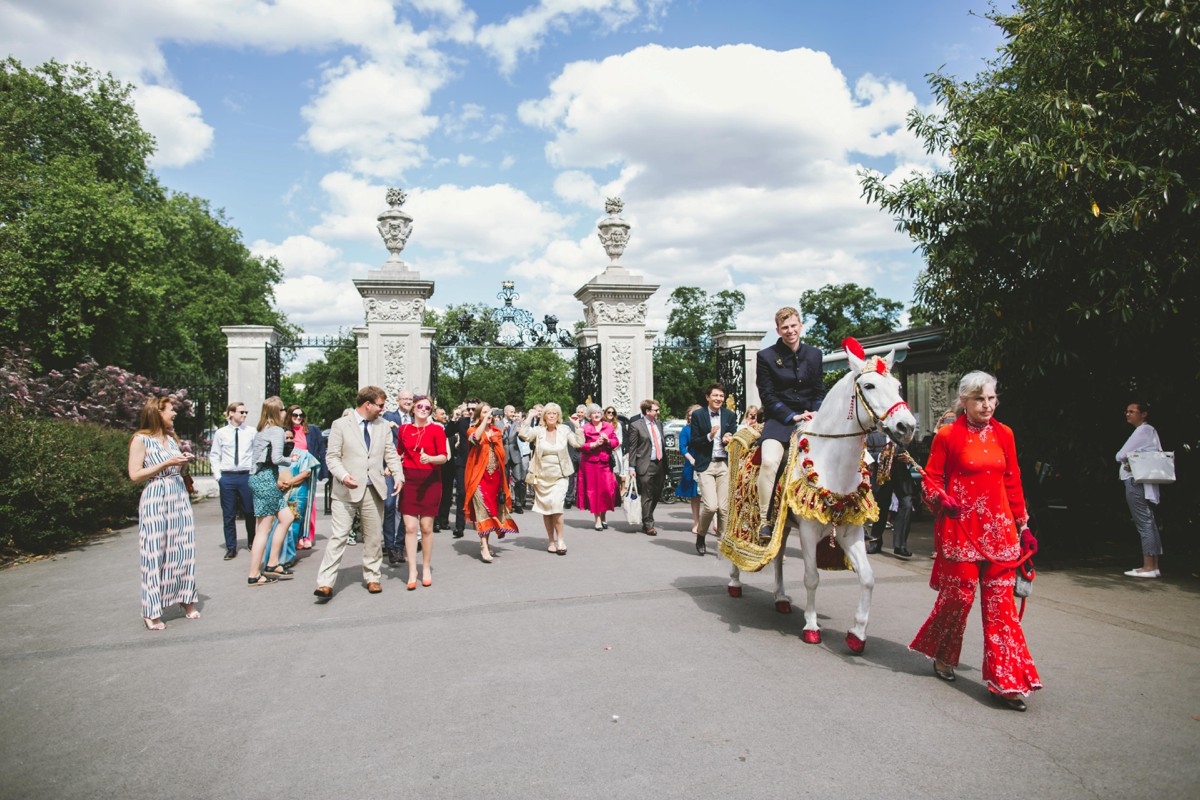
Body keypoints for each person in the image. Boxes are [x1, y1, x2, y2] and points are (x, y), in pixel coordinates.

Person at [910, 371, 1041, 711]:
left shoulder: (1004, 434)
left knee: (1001, 609)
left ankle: (1007, 681)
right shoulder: (947, 435)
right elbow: (931, 480)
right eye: (980, 399)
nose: (987, 405)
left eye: (992, 398)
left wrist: (1024, 527)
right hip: (961, 531)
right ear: (964, 401)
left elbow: (1013, 480)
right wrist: (940, 499)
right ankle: (943, 654)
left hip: (1001, 534)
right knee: (959, 598)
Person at [313, 386, 405, 601]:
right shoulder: (340, 425)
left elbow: (391, 454)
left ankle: (373, 576)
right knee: (339, 536)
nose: (383, 410)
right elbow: (332, 456)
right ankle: (325, 583)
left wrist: (399, 476)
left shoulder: (383, 426)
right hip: (346, 489)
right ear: (368, 404)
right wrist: (343, 475)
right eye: (380, 405)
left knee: (373, 537)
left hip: (374, 488)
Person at [128, 396, 199, 630]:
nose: (175, 414)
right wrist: (166, 463)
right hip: (156, 496)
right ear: (157, 413)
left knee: (183, 549)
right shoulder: (141, 439)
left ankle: (186, 598)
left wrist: (183, 463)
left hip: (178, 494)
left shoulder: (170, 438)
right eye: (170, 410)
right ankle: (151, 610)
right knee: (154, 553)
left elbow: (175, 466)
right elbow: (135, 474)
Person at [755, 306, 826, 532]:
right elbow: (766, 394)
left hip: (812, 421)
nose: (790, 331)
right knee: (769, 462)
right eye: (785, 327)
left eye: (793, 326)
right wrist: (791, 415)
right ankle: (765, 518)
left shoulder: (815, 354)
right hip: (780, 421)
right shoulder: (765, 356)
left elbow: (819, 390)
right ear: (778, 330)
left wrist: (815, 412)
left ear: (800, 326)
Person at [398, 395, 449, 589]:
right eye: (420, 406)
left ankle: (426, 567)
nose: (423, 410)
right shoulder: (404, 429)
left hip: (430, 481)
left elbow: (444, 457)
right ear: (412, 409)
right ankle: (412, 570)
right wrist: (392, 469)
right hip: (410, 480)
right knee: (410, 528)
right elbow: (398, 452)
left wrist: (431, 459)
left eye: (427, 408)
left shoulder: (436, 429)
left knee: (426, 527)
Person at [247, 396, 296, 586]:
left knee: (287, 518)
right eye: (283, 409)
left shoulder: (262, 430)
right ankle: (254, 574)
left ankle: (273, 562)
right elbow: (276, 458)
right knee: (263, 529)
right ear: (278, 412)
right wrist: (290, 459)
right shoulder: (276, 430)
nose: (285, 413)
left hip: (260, 478)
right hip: (266, 478)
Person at [520, 403, 581, 554]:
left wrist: (578, 427)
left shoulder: (564, 430)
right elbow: (524, 435)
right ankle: (550, 540)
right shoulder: (538, 431)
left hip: (560, 476)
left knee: (557, 507)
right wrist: (529, 417)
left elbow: (578, 443)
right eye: (549, 413)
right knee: (547, 510)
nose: (552, 416)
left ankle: (561, 540)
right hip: (541, 476)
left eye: (555, 413)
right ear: (544, 416)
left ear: (558, 416)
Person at [464, 403, 519, 562]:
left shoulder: (496, 432)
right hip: (478, 478)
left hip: (495, 477)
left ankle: (486, 543)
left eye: (490, 412)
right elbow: (475, 439)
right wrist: (484, 422)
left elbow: (502, 455)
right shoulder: (472, 430)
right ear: (479, 415)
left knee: (491, 510)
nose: (489, 415)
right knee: (483, 511)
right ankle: (483, 546)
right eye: (485, 412)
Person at [260, 428, 321, 571]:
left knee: (293, 527)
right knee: (276, 526)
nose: (288, 441)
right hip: (279, 493)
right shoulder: (275, 455)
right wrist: (279, 483)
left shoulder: (303, 454)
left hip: (297, 493)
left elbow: (306, 472)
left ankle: (287, 557)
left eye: (290, 438)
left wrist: (290, 482)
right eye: (285, 438)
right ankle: (273, 557)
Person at [1116, 401, 1164, 578]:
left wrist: (1125, 457)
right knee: (1149, 521)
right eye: (1126, 411)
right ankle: (1154, 565)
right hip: (1143, 481)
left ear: (1143, 414)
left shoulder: (1143, 431)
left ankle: (1148, 566)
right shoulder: (1149, 431)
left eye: (1132, 411)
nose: (1128, 414)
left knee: (1143, 522)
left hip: (1135, 479)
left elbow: (1120, 455)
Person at [690, 383, 738, 555]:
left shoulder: (730, 415)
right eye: (715, 396)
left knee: (724, 508)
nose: (718, 399)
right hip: (706, 464)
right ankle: (701, 535)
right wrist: (709, 436)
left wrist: (729, 437)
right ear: (708, 397)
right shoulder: (698, 415)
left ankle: (723, 542)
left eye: (721, 396)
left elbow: (734, 435)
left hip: (724, 463)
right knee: (711, 506)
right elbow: (693, 441)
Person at [209, 401, 255, 560]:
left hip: (245, 476)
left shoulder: (251, 432)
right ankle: (231, 547)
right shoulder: (221, 433)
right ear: (231, 414)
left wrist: (253, 473)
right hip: (228, 476)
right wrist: (218, 477)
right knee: (228, 514)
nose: (244, 415)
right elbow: (215, 455)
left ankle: (252, 541)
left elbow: (256, 454)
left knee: (250, 510)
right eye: (241, 412)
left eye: (245, 412)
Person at [285, 404, 326, 551]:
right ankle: (293, 537)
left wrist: (323, 470)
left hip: (307, 469)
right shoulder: (285, 432)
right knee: (291, 503)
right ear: (289, 416)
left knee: (309, 504)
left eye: (300, 415)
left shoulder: (311, 430)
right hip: (291, 471)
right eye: (295, 415)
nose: (298, 418)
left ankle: (306, 536)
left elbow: (321, 449)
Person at [625, 399, 667, 536]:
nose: (658, 412)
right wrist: (631, 467)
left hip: (660, 464)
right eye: (656, 410)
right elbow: (632, 447)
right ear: (647, 411)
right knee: (647, 494)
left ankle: (647, 517)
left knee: (656, 494)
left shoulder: (659, 424)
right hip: (645, 464)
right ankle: (649, 524)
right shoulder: (636, 425)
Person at [576, 403, 620, 531]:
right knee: (594, 492)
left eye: (599, 413)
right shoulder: (584, 428)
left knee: (606, 490)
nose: (597, 415)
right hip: (590, 464)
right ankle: (598, 520)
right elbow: (579, 446)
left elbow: (616, 442)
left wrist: (608, 441)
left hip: (605, 463)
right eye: (594, 413)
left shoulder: (609, 427)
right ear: (589, 416)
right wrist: (593, 444)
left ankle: (604, 516)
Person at [383, 389, 415, 565]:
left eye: (410, 399)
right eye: (405, 399)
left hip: (409, 468)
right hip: (390, 468)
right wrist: (387, 464)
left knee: (406, 508)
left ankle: (399, 545)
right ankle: (389, 544)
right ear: (398, 400)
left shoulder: (415, 419)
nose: (408, 401)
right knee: (389, 505)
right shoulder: (388, 417)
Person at [451, 398, 481, 539]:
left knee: (479, 495)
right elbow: (448, 431)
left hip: (479, 463)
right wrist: (454, 418)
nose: (470, 412)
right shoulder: (462, 422)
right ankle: (459, 526)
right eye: (468, 409)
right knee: (461, 493)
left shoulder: (483, 422)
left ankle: (482, 524)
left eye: (473, 409)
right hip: (463, 462)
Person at [675, 403, 702, 536]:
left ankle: (715, 522)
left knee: (711, 496)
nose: (692, 418)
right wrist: (691, 459)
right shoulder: (686, 430)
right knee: (695, 496)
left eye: (695, 415)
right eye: (690, 415)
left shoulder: (706, 428)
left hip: (707, 463)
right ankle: (696, 523)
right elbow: (682, 447)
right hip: (693, 465)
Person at [503, 405, 529, 514]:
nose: (513, 414)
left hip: (515, 454)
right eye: (511, 412)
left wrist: (520, 433)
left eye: (514, 412)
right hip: (503, 455)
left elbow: (524, 439)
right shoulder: (498, 424)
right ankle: (505, 504)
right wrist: (502, 432)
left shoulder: (517, 424)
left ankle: (518, 504)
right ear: (505, 412)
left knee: (518, 479)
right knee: (504, 481)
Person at [434, 406, 455, 531]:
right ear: (434, 416)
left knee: (447, 494)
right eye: (441, 414)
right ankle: (435, 521)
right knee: (437, 494)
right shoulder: (433, 428)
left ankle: (444, 520)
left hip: (449, 464)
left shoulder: (449, 429)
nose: (444, 416)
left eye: (444, 413)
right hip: (437, 464)